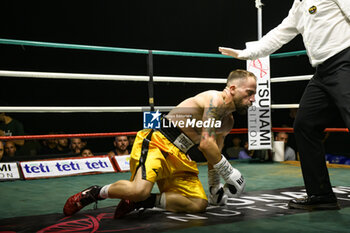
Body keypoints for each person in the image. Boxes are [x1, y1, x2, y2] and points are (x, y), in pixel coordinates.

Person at [63, 69, 256, 217]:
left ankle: (144, 202)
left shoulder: (228, 121)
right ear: (232, 89)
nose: (253, 99)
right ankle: (95, 193)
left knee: (198, 204)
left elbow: (215, 152)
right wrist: (231, 173)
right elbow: (206, 145)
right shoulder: (214, 100)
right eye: (249, 93)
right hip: (159, 142)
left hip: (181, 156)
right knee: (138, 190)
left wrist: (215, 188)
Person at [218, 0, 350, 210]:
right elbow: (279, 34)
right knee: (305, 125)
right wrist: (245, 53)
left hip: (345, 60)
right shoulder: (299, 5)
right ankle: (321, 194)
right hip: (323, 71)